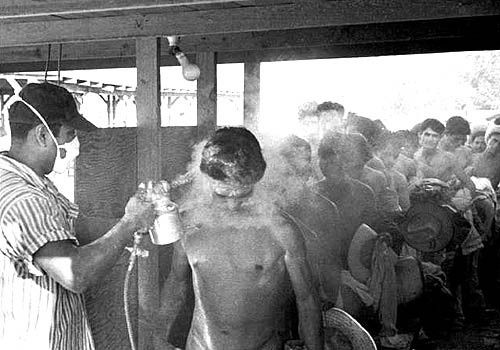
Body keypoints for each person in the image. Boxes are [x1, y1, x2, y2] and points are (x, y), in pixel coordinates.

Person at [0, 82, 156, 349]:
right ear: (41, 134)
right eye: (70, 134)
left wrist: (136, 219)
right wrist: (129, 224)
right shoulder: (24, 199)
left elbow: (75, 227)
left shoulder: (35, 182)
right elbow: (76, 274)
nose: (75, 145)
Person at [157, 127, 323, 350]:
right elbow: (176, 285)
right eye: (222, 195)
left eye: (244, 195)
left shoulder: (281, 231)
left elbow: (307, 301)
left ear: (258, 180)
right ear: (207, 181)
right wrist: (156, 337)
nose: (233, 204)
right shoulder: (189, 225)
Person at [314, 132, 378, 269]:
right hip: (320, 269)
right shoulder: (311, 194)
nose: (329, 164)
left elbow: (370, 238)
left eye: (335, 159)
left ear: (347, 161)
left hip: (357, 266)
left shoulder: (365, 194)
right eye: (324, 157)